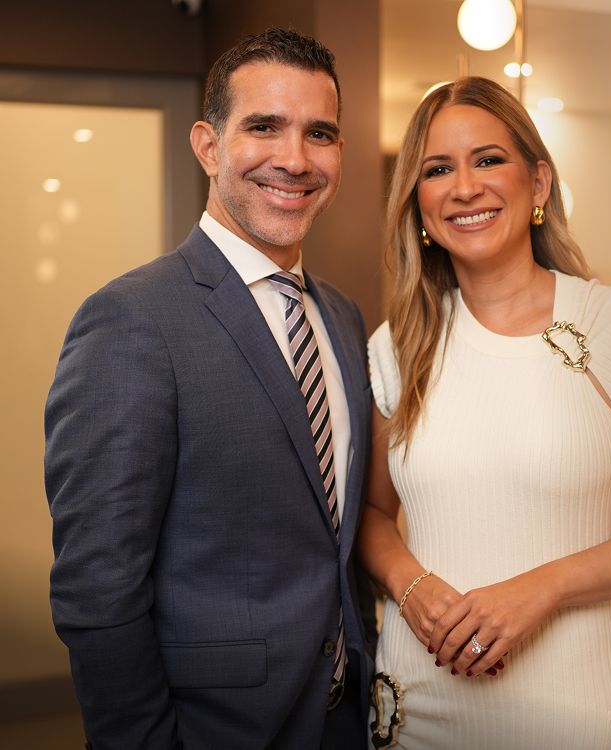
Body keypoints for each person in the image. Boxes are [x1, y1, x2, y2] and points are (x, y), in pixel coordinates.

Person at [359, 76, 611, 749]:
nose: (464, 187)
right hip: (421, 705)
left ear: (539, 184)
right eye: (437, 169)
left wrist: (543, 589)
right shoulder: (395, 347)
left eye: (489, 159)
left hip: (578, 709)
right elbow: (374, 517)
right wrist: (411, 585)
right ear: (418, 205)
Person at [44, 29, 374, 749]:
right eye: (264, 127)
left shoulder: (343, 318)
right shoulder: (132, 318)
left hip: (346, 722)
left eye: (320, 133)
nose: (294, 158)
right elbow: (98, 588)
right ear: (208, 145)